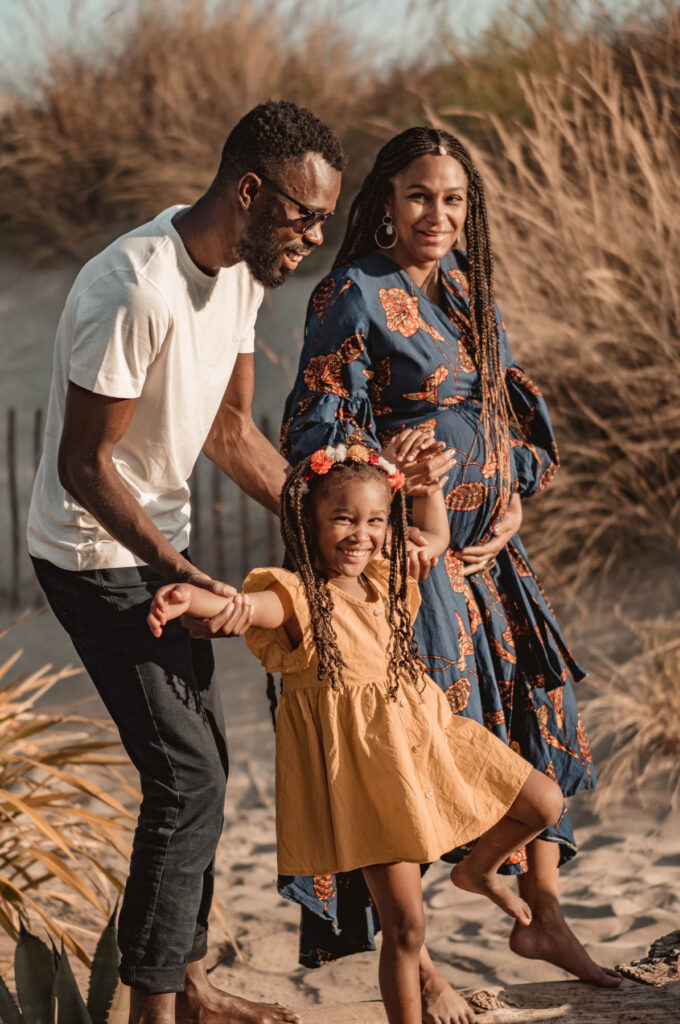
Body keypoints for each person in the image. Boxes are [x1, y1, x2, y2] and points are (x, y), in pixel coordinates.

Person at [279, 126, 622, 1001]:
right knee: (419, 750)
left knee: (540, 709)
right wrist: (397, 473)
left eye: (455, 199)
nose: (439, 214)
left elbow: (510, 412)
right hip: (411, 561)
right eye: (421, 195)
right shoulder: (351, 292)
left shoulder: (471, 291)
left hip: (490, 553)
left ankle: (540, 912)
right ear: (387, 203)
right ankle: (418, 960)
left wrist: (512, 496)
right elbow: (316, 435)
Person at [27, 99, 345, 1024]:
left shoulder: (242, 271)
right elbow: (83, 466)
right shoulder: (131, 286)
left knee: (203, 758)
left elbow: (228, 428)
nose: (314, 237)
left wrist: (319, 519)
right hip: (93, 554)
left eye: (325, 218)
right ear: (248, 191)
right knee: (188, 777)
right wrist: (178, 566)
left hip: (161, 548)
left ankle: (186, 980)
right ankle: (154, 1007)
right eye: (302, 215)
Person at [148, 442, 566, 1024]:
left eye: (374, 520)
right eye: (342, 518)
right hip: (372, 777)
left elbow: (435, 539)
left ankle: (476, 870)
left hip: (433, 738)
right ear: (308, 522)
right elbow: (247, 606)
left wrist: (427, 491)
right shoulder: (296, 596)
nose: (360, 534)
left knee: (545, 802)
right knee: (406, 927)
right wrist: (187, 596)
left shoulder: (385, 577)